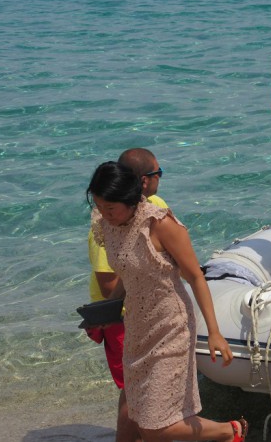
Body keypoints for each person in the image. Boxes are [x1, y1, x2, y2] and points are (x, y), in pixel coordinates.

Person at [87, 161, 247, 442]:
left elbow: (196, 277)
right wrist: (107, 309)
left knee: (156, 425)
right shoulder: (107, 224)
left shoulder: (161, 224)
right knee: (141, 415)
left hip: (170, 326)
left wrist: (214, 332)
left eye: (109, 208)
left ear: (130, 199)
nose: (103, 214)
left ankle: (229, 431)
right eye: (99, 206)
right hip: (137, 328)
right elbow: (128, 271)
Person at [85, 148, 168, 442]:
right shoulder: (104, 222)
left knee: (148, 387)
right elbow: (110, 288)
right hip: (121, 316)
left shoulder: (155, 206)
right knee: (132, 390)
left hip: (152, 313)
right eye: (158, 174)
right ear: (144, 181)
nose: (161, 179)